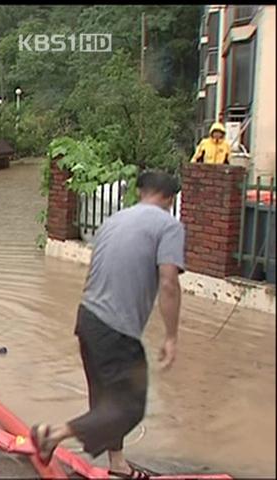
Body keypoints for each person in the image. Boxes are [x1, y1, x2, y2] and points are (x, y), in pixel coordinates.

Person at [30, 171, 185, 479]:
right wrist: (171, 336)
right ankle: (53, 434)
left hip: (87, 318)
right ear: (169, 199)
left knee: (105, 399)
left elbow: (93, 273)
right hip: (117, 329)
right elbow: (168, 283)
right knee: (130, 406)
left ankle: (118, 465)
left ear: (141, 192)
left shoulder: (113, 221)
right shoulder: (169, 225)